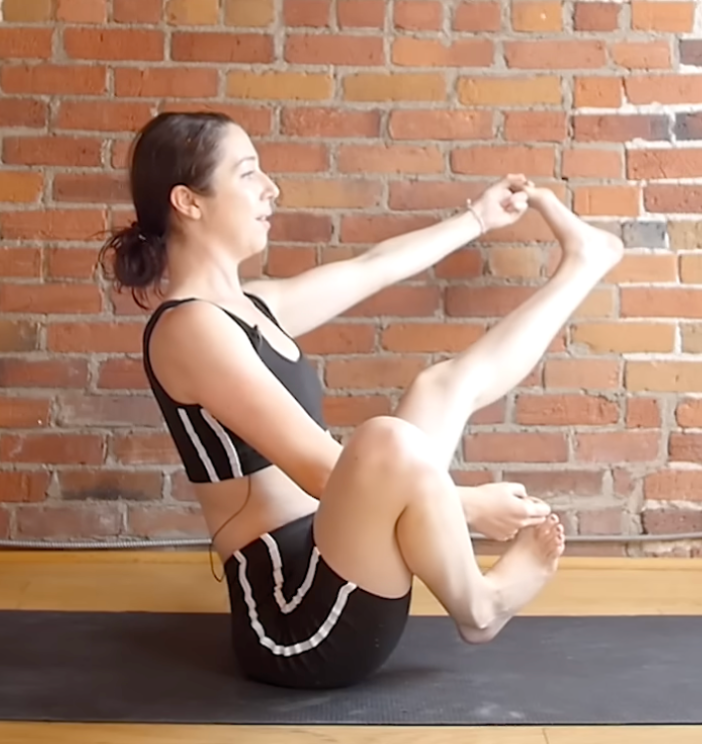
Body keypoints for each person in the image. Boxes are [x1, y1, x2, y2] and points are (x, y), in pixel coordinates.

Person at [101, 110, 625, 689]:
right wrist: (467, 505)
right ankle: (481, 605)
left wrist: (477, 217)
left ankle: (586, 262)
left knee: (440, 387)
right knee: (384, 441)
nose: (270, 188)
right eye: (248, 173)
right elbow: (322, 470)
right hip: (294, 621)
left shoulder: (254, 306)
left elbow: (374, 267)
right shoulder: (188, 329)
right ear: (189, 201)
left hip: (338, 557)